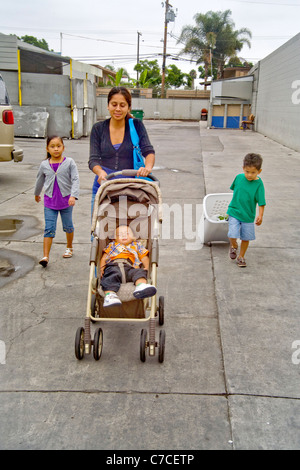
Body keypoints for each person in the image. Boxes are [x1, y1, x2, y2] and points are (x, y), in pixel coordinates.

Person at [88, 86, 155, 212]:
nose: (118, 109)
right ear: (108, 105)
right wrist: (100, 172)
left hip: (130, 186)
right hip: (104, 185)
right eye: (114, 104)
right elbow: (93, 159)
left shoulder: (136, 125)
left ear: (128, 107)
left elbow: (148, 151)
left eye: (122, 105)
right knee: (98, 228)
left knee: (130, 228)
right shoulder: (98, 128)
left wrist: (147, 168)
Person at [34, 136, 80, 267]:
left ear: (63, 148)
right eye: (52, 146)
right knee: (49, 229)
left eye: (58, 146)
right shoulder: (44, 165)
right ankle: (45, 256)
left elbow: (75, 179)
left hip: (66, 202)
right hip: (50, 202)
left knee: (68, 226)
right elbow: (39, 180)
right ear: (47, 149)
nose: (55, 149)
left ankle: (69, 247)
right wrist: (36, 194)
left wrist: (73, 195)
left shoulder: (69, 162)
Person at [100, 225, 157, 307]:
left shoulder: (136, 245)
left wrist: (147, 267)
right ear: (114, 238)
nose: (123, 235)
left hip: (130, 268)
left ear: (134, 237)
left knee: (139, 272)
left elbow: (144, 257)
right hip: (113, 266)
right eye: (119, 234)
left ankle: (141, 286)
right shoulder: (112, 245)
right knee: (109, 278)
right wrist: (102, 268)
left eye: (127, 233)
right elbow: (103, 258)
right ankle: (110, 296)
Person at [227, 153, 266, 267]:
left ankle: (241, 257)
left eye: (253, 172)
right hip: (234, 211)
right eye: (247, 171)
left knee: (246, 237)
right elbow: (235, 190)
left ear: (259, 171)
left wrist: (260, 215)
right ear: (243, 168)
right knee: (232, 234)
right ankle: (233, 246)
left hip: (248, 215)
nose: (249, 175)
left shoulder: (259, 184)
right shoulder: (238, 177)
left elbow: (261, 202)